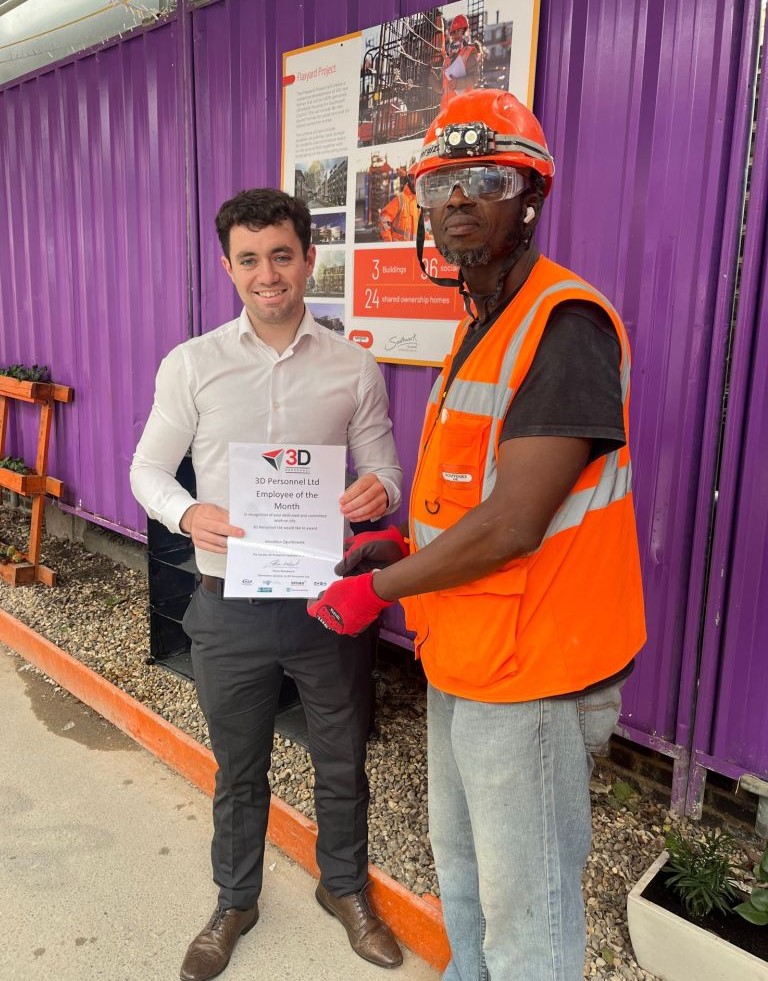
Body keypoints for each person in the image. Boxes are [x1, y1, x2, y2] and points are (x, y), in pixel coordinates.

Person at [308, 89, 646, 981]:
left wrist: (375, 590)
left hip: (531, 671)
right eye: (441, 181)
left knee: (526, 908)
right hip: (466, 650)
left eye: (488, 178)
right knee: (462, 871)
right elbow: (467, 503)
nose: (459, 197)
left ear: (530, 197)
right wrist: (405, 555)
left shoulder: (563, 324)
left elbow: (513, 521)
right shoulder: (482, 322)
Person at [130, 188, 404, 981]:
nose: (268, 274)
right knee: (239, 763)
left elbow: (383, 465)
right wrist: (188, 514)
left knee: (341, 757)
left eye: (281, 255)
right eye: (249, 259)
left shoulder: (354, 367)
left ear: (308, 259)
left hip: (327, 604)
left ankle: (345, 888)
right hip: (229, 603)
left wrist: (377, 490)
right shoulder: (193, 365)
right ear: (229, 267)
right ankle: (235, 899)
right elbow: (147, 469)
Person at [440, 14, 482, 110]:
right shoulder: (449, 57)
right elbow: (440, 87)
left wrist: (458, 83)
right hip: (447, 111)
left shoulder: (469, 52)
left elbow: (475, 77)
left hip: (462, 108)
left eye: (458, 31)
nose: (455, 35)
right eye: (453, 32)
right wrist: (429, 74)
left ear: (464, 32)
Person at [378, 171, 419, 241]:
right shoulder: (400, 199)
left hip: (413, 249)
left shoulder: (417, 203)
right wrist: (389, 242)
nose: (415, 183)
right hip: (398, 249)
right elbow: (384, 219)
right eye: (413, 179)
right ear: (409, 180)